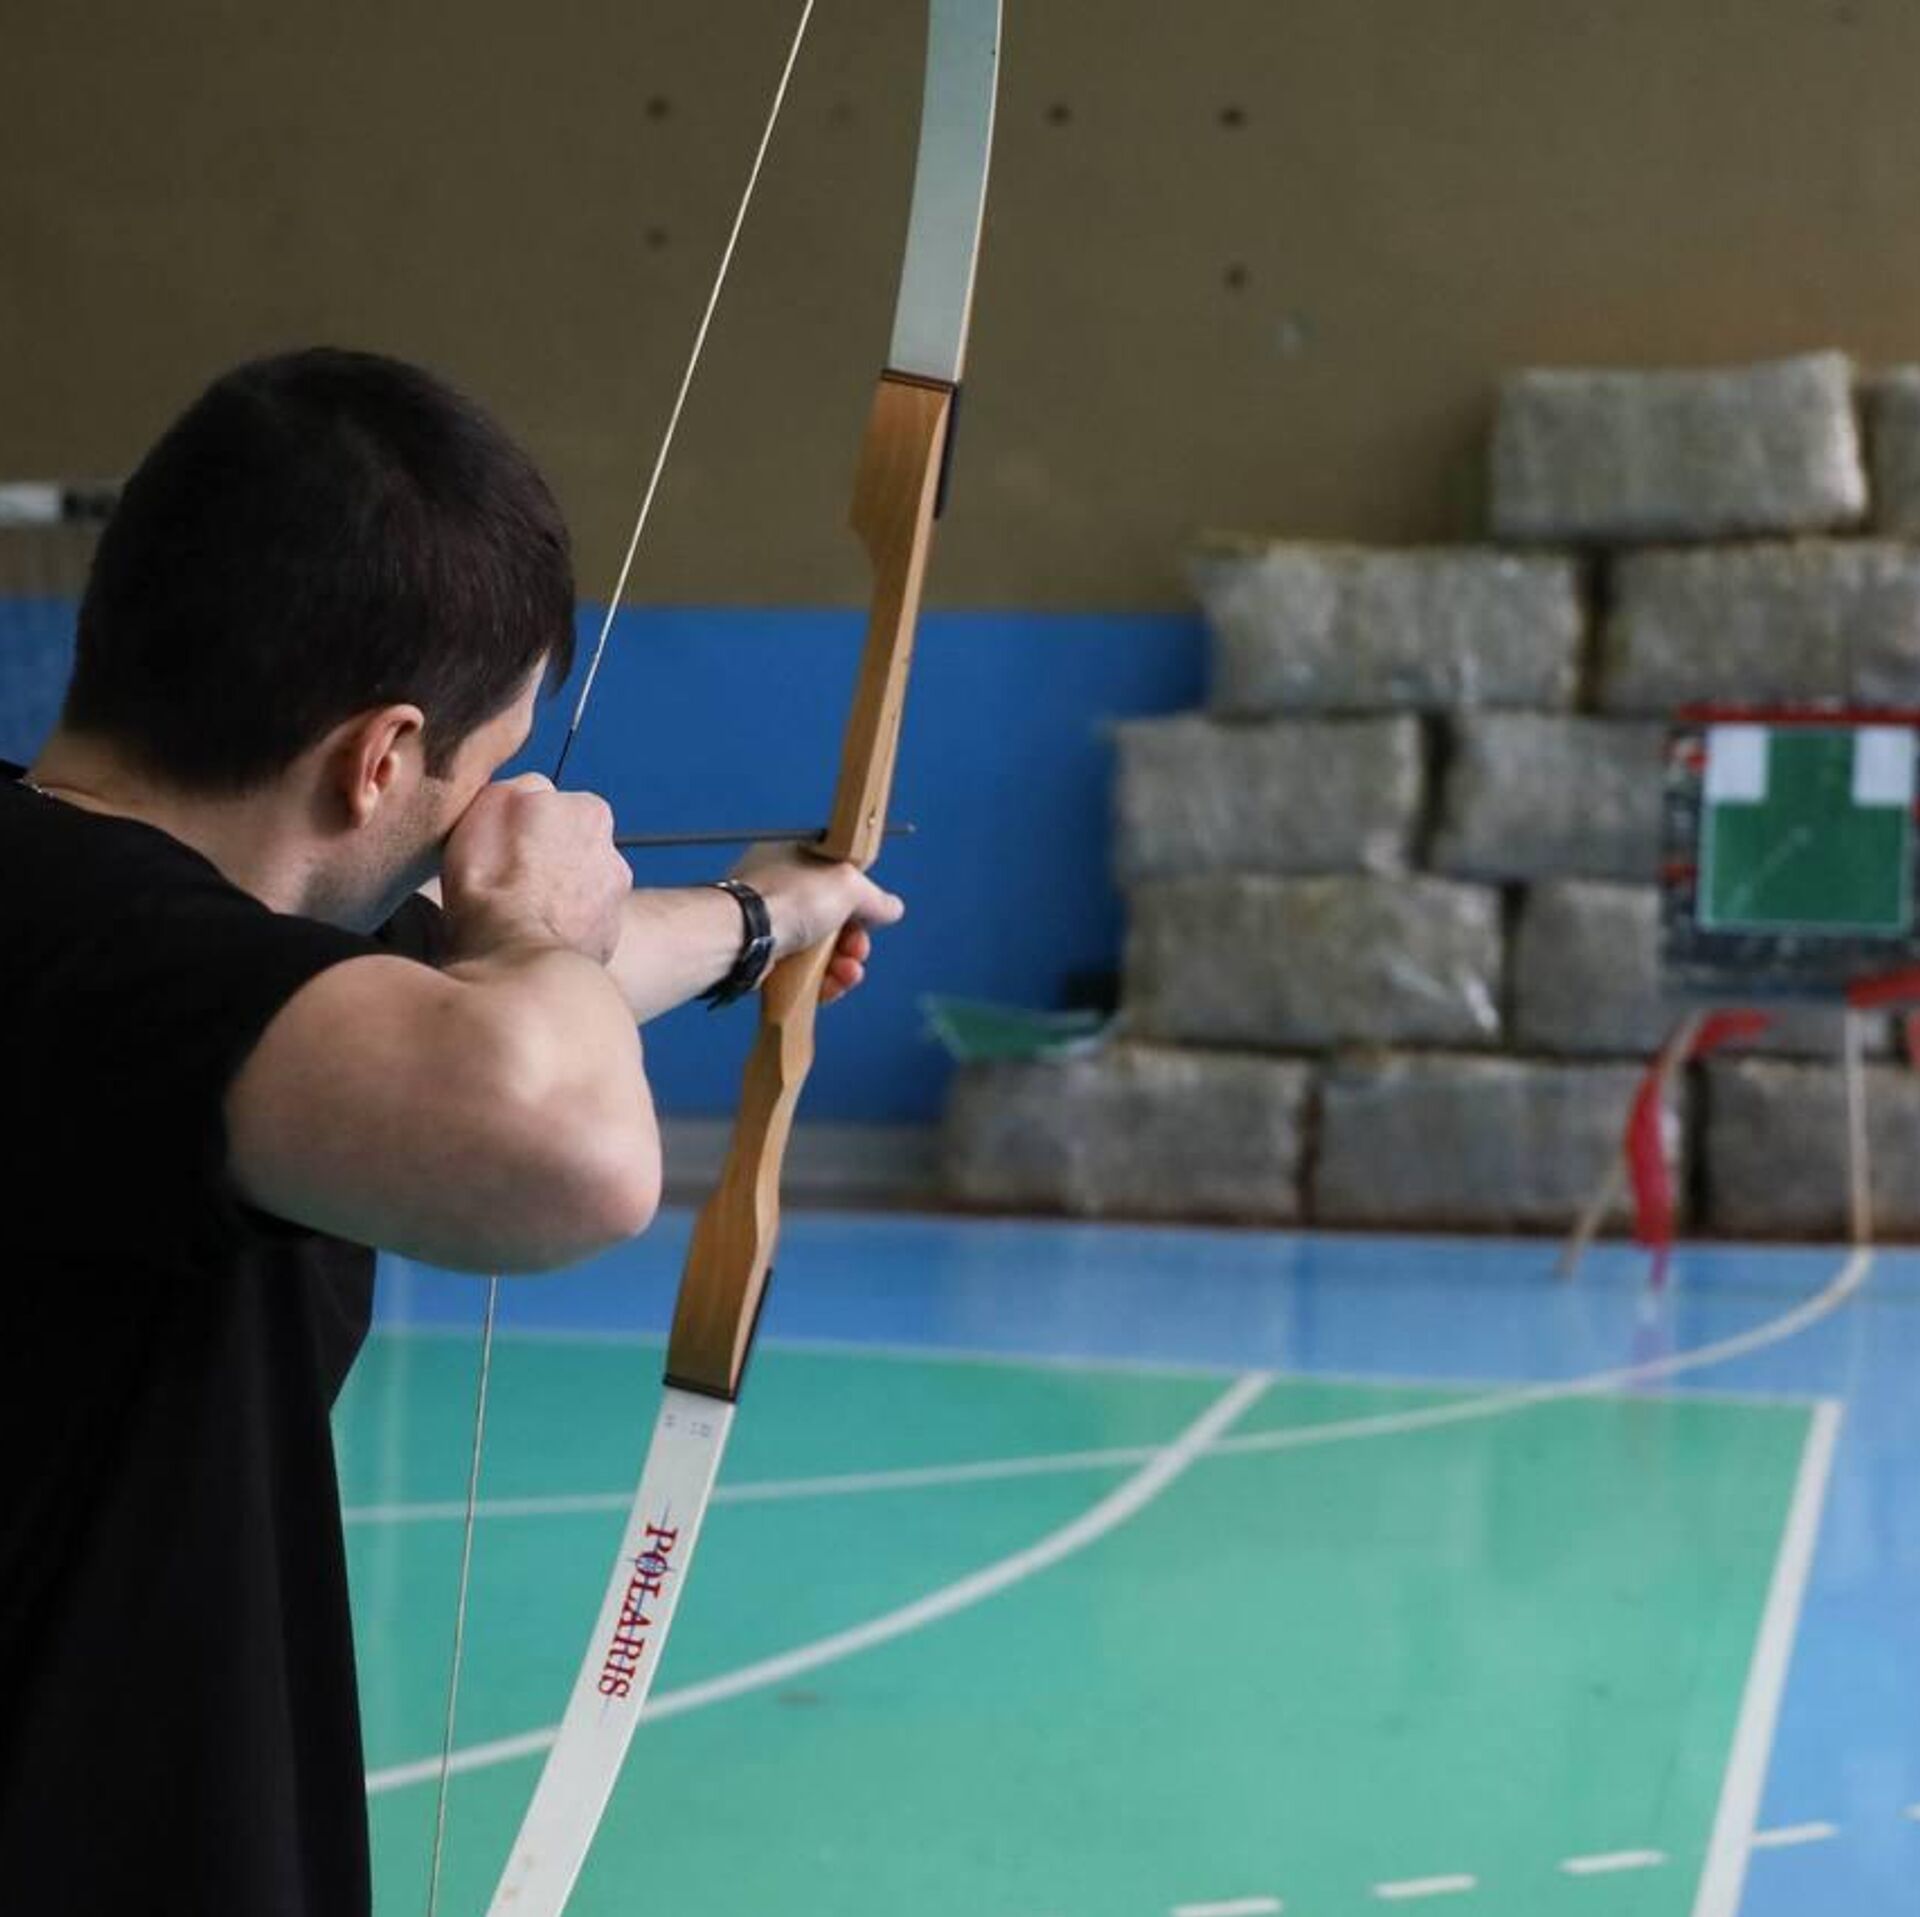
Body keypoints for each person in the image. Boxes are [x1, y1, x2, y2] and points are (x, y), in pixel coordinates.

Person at [0, 347, 901, 1914]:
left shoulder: (120, 932)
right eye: (482, 774)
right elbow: (567, 1145)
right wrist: (531, 921)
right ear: (380, 758)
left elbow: (450, 991)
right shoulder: (116, 965)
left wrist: (765, 918)